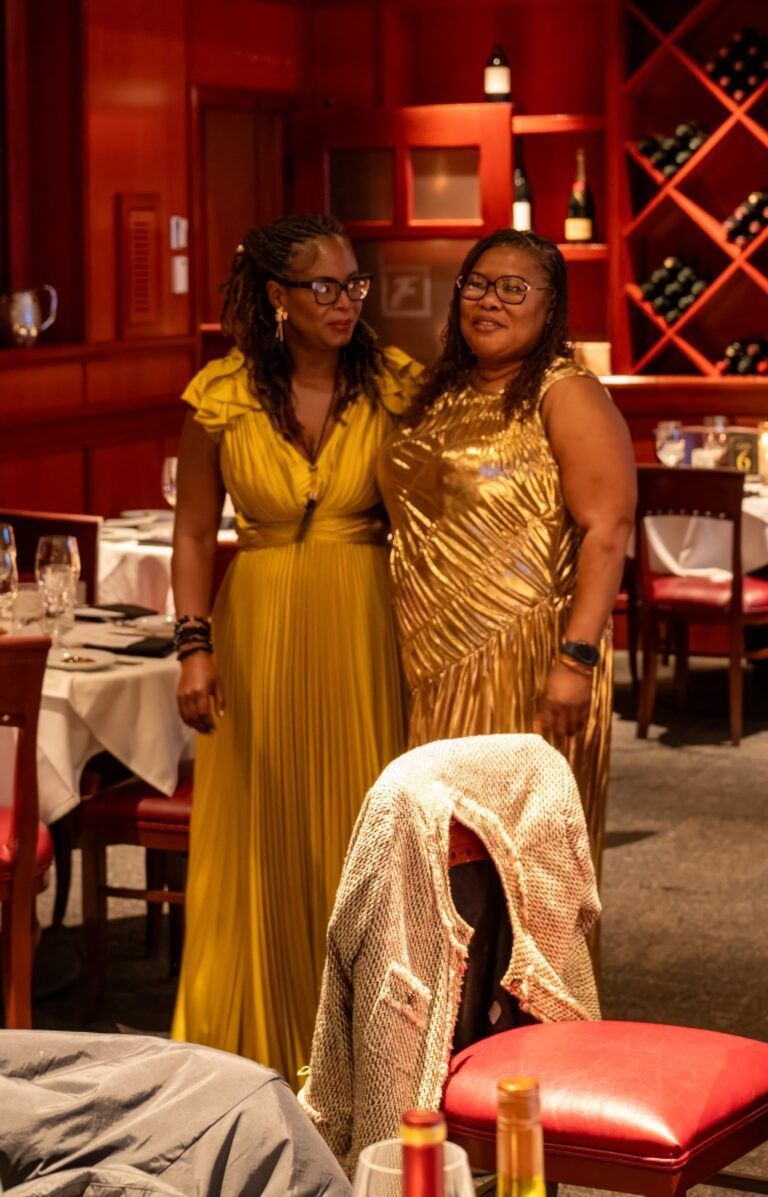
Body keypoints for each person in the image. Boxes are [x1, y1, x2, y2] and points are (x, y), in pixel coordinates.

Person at [170, 214, 421, 1084]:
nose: (347, 301)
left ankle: (370, 1057)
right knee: (264, 835)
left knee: (364, 827)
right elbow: (196, 534)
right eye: (325, 286)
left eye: (356, 284)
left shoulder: (398, 384)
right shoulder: (221, 395)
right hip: (260, 627)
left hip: (365, 622)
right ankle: (259, 1052)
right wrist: (192, 647)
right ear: (277, 297)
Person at [378, 229, 636, 871]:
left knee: (513, 870)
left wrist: (576, 660)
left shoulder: (565, 391)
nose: (490, 301)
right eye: (478, 284)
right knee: (430, 863)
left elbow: (609, 529)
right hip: (423, 655)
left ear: (550, 308)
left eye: (514, 288)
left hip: (524, 659)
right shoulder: (442, 391)